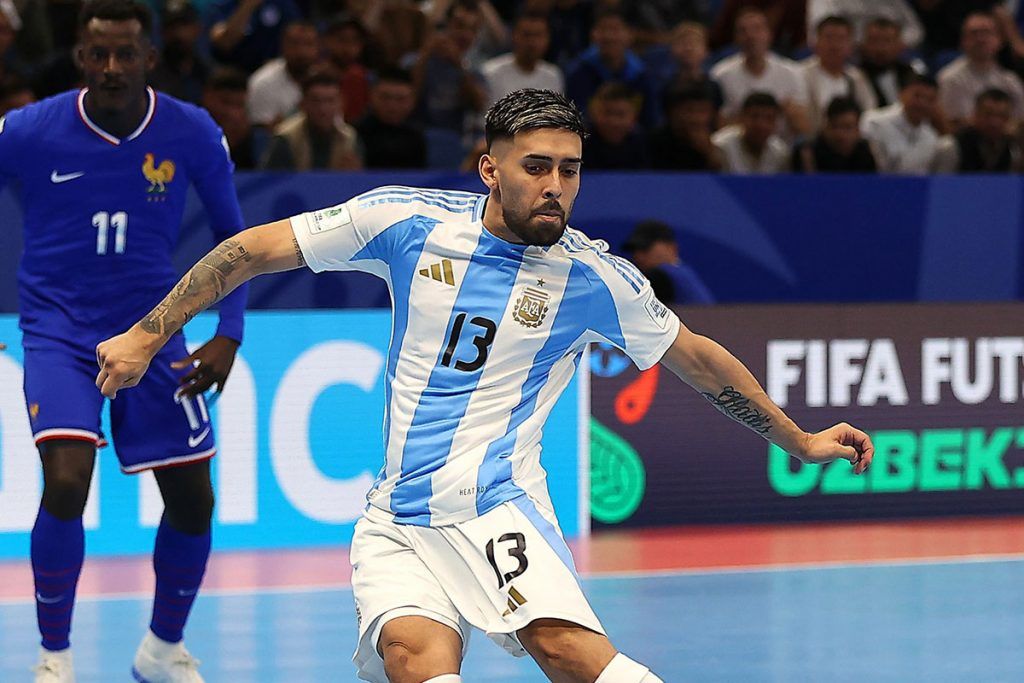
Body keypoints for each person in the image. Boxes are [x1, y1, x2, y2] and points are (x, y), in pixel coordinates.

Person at [95, 87, 875, 683]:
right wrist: (147, 333)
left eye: (570, 169)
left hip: (497, 504)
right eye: (536, 167)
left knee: (566, 651)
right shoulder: (408, 223)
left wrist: (798, 440)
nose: (555, 185)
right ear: (490, 168)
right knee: (412, 658)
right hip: (399, 516)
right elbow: (253, 249)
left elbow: (697, 357)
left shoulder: (596, 277)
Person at [0, 1, 249, 681]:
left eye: (126, 53)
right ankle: (54, 658)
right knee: (66, 481)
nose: (112, 67)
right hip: (58, 331)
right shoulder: (27, 129)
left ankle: (161, 650)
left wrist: (230, 331)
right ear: (81, 58)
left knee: (194, 500)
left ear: (150, 58)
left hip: (154, 329)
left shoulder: (192, 131)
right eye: (98, 54)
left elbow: (234, 236)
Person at [710, 8, 811, 137]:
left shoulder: (793, 72)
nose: (750, 36)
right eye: (743, 31)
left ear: (769, 34)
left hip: (781, 144)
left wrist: (789, 112)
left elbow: (804, 128)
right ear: (736, 38)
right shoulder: (721, 74)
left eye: (757, 29)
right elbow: (719, 128)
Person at [564, 7, 659, 128]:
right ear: (593, 34)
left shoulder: (642, 74)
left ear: (630, 34)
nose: (609, 36)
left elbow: (651, 121)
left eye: (616, 29)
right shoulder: (578, 71)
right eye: (603, 29)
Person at [261, 68, 363, 170]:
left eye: (330, 101)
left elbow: (359, 177)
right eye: (316, 101)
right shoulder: (286, 138)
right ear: (303, 104)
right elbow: (272, 178)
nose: (323, 109)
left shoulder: (349, 139)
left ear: (341, 103)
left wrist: (354, 173)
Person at [937, 11, 1024, 130]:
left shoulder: (1011, 81)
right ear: (963, 41)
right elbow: (953, 123)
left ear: (999, 40)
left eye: (986, 33)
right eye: (974, 33)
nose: (980, 39)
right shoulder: (950, 78)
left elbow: (1020, 123)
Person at [800, 15, 877, 130]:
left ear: (851, 46)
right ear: (815, 43)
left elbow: (870, 113)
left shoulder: (856, 77)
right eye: (829, 38)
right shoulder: (801, 74)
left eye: (841, 39)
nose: (834, 45)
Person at [861, 73, 942, 174]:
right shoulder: (874, 122)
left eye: (930, 99)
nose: (923, 104)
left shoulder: (931, 136)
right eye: (917, 96)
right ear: (902, 93)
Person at [247, 20, 320, 129]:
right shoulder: (263, 82)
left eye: (308, 44)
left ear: (318, 47)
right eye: (295, 44)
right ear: (283, 46)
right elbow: (261, 132)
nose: (302, 51)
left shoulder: (323, 80)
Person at [481, 11, 564, 107]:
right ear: (514, 36)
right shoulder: (491, 72)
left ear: (548, 39)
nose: (532, 42)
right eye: (527, 35)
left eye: (538, 35)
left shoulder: (553, 76)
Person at [622, 220, 715, 305]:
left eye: (645, 248)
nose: (638, 256)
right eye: (634, 250)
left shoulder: (660, 276)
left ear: (670, 247)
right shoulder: (684, 272)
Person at [934, 88, 1022, 173]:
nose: (995, 122)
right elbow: (940, 182)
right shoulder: (951, 147)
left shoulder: (1013, 149)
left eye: (1002, 116)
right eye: (988, 114)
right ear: (975, 114)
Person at [357, 67, 427, 169]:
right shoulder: (356, 133)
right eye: (385, 97)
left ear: (413, 101)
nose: (392, 106)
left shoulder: (417, 136)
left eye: (400, 99)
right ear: (371, 97)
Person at [203, 66, 268, 169]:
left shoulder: (258, 142)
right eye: (226, 103)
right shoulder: (188, 134)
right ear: (207, 97)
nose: (233, 113)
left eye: (239, 105)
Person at [791, 96, 877, 172]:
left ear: (858, 129)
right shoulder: (807, 154)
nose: (840, 135)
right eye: (834, 126)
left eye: (847, 127)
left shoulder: (865, 153)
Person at [648, 85, 724, 171]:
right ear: (673, 112)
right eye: (689, 110)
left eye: (702, 111)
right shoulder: (652, 143)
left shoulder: (717, 141)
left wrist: (709, 153)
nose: (696, 118)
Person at [713, 91, 791, 174]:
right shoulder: (721, 146)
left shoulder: (781, 153)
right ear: (741, 117)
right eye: (755, 116)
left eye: (769, 118)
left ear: (776, 123)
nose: (761, 125)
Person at [148, 1, 208, 105]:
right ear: (162, 32)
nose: (178, 33)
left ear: (197, 28)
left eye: (184, 25)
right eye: (172, 27)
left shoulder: (207, 73)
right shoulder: (150, 76)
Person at [583, 82, 650, 169]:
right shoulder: (581, 144)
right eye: (607, 113)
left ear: (634, 116)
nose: (613, 121)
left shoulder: (645, 144)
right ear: (593, 113)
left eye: (620, 114)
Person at [857, 16, 920, 108]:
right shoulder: (856, 76)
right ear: (863, 45)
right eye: (875, 41)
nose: (881, 48)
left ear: (899, 44)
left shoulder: (909, 73)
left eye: (887, 41)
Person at [806, 0, 923, 49]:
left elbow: (915, 30)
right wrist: (862, 44)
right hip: (850, 51)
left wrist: (894, 42)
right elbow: (816, 35)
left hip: (891, 53)